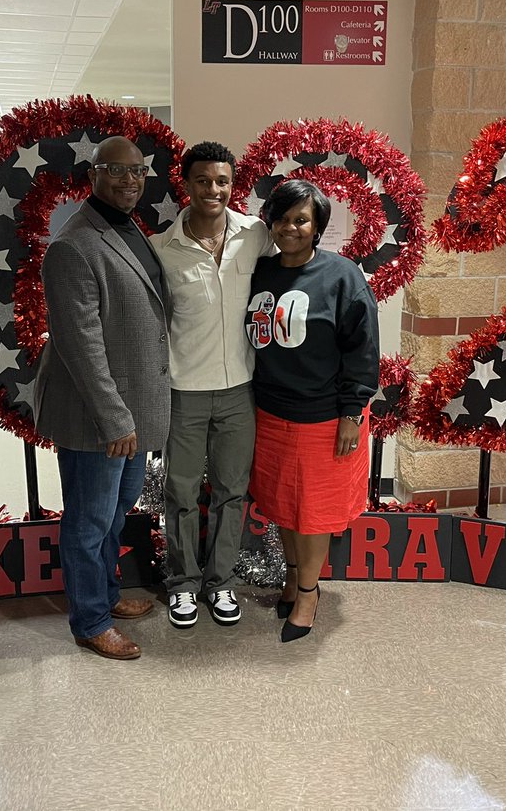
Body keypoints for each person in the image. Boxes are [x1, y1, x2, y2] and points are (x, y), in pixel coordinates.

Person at [32, 136, 169, 660]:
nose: (130, 180)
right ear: (93, 174)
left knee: (114, 516)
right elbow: (80, 345)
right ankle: (89, 620)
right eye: (117, 170)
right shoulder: (74, 245)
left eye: (138, 171)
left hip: (129, 411)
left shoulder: (129, 230)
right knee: (89, 522)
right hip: (99, 418)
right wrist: (115, 420)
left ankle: (106, 597)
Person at [245, 179, 379, 642]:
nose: (290, 228)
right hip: (269, 413)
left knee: (313, 513)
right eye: (281, 218)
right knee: (283, 506)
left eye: (301, 219)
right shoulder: (260, 273)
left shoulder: (342, 276)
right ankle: (290, 575)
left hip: (323, 418)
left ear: (318, 225)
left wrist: (351, 411)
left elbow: (362, 348)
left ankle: (308, 592)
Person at [150, 142, 273, 628]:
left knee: (231, 491)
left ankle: (220, 583)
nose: (213, 190)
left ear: (232, 184)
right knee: (180, 493)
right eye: (203, 181)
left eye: (222, 181)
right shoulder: (163, 249)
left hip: (240, 389)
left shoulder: (255, 235)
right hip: (184, 391)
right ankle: (182, 584)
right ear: (187, 185)